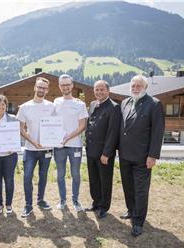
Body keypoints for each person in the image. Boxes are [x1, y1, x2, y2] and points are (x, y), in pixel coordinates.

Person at [119, 75, 165, 237]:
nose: (135, 88)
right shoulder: (125, 103)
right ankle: (131, 211)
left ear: (145, 87)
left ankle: (138, 222)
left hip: (142, 157)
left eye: (138, 86)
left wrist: (152, 155)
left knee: (140, 190)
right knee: (128, 186)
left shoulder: (154, 104)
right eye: (133, 86)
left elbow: (157, 132)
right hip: (124, 155)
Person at [16, 77, 55, 217]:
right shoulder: (25, 107)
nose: (41, 90)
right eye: (39, 87)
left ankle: (41, 200)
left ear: (47, 90)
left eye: (44, 88)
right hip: (30, 150)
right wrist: (33, 141)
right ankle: (28, 205)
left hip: (47, 149)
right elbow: (20, 129)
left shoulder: (51, 106)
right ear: (35, 88)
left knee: (43, 176)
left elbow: (56, 125)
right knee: (27, 177)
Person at [85, 80, 121, 218]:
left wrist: (106, 153)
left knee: (104, 180)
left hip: (104, 153)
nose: (99, 92)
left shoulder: (114, 107)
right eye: (96, 90)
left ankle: (104, 206)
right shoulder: (93, 104)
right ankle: (96, 202)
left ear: (108, 91)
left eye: (102, 90)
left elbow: (113, 133)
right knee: (93, 179)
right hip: (91, 151)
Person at [53, 74, 88, 212]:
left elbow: (82, 126)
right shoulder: (55, 102)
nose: (65, 87)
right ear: (59, 86)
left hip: (75, 145)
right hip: (59, 146)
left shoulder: (80, 104)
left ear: (72, 85)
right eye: (63, 85)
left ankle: (76, 200)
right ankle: (62, 200)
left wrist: (67, 137)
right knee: (60, 174)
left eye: (68, 84)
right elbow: (51, 123)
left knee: (75, 174)